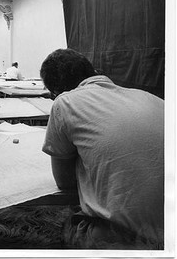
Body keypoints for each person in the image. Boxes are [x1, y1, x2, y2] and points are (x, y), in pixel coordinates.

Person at [40, 48, 164, 249]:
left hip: (131, 239)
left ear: (57, 92)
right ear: (94, 71)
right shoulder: (150, 98)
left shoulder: (65, 103)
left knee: (70, 223)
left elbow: (65, 182)